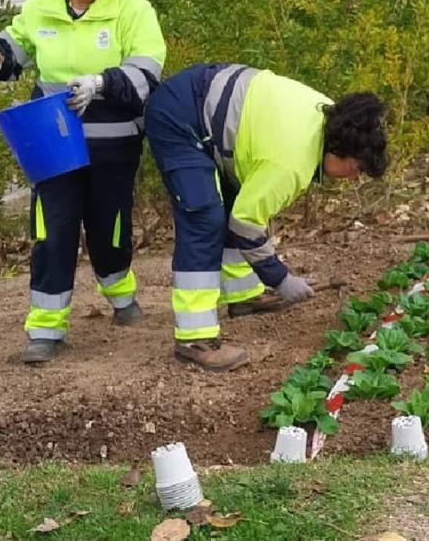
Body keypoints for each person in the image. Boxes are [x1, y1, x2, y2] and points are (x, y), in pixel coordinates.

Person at [0, 0, 166, 363]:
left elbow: (149, 68)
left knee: (108, 226)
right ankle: (45, 329)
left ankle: (121, 295)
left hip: (111, 141)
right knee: (52, 230)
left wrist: (103, 83)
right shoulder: (42, 5)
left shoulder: (132, 9)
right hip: (51, 140)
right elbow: (15, 45)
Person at [144, 64, 388, 372]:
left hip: (205, 107)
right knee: (204, 217)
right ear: (338, 151)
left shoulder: (332, 119)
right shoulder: (291, 164)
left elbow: (246, 210)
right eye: (357, 168)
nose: (354, 178)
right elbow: (246, 224)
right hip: (179, 116)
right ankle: (195, 339)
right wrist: (280, 278)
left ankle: (244, 296)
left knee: (236, 200)